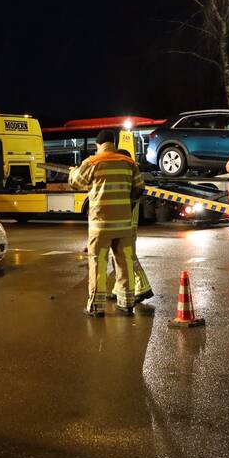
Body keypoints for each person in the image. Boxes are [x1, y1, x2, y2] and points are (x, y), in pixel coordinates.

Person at [69, 130, 144, 317]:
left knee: (98, 264)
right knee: (125, 263)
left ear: (98, 144)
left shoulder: (92, 162)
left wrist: (73, 172)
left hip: (100, 226)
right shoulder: (129, 163)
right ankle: (126, 305)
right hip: (124, 226)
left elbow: (75, 184)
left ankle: (96, 307)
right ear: (114, 143)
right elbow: (139, 189)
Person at [110, 149, 152, 309]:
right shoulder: (131, 175)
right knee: (119, 257)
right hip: (125, 223)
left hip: (126, 224)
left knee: (128, 256)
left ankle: (144, 287)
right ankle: (118, 288)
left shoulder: (130, 177)